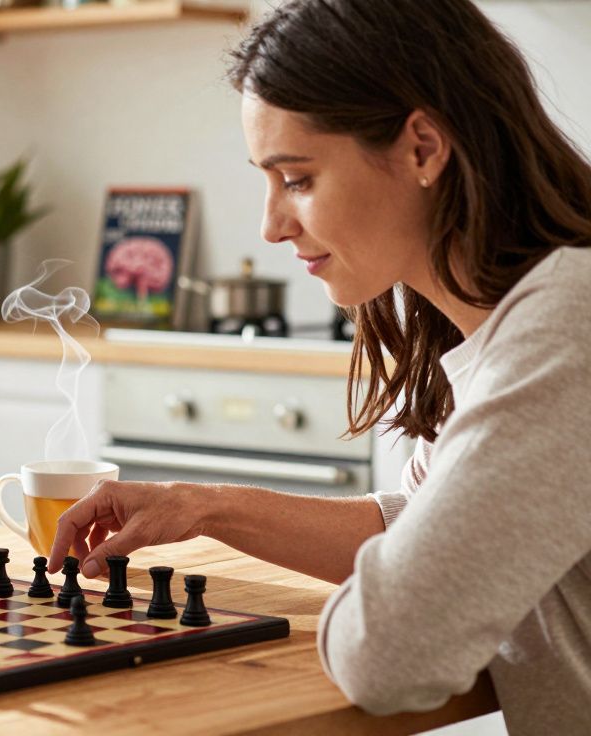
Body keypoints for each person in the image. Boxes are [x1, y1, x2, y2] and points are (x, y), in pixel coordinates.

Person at [47, 0, 591, 731]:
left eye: (296, 179)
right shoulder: (505, 326)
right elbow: (433, 530)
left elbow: (387, 652)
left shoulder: (567, 326)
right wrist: (199, 505)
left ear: (423, 148)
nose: (272, 225)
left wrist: (399, 598)